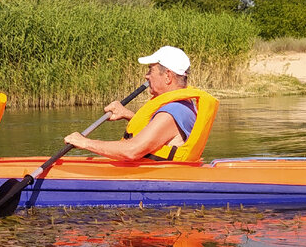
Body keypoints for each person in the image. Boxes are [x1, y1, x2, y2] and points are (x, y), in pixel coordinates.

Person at [64, 46, 203, 163]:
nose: (146, 76)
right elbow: (160, 132)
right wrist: (128, 115)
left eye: (150, 70)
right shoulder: (182, 105)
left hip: (158, 181)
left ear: (168, 76)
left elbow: (131, 151)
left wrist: (84, 142)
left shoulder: (173, 111)